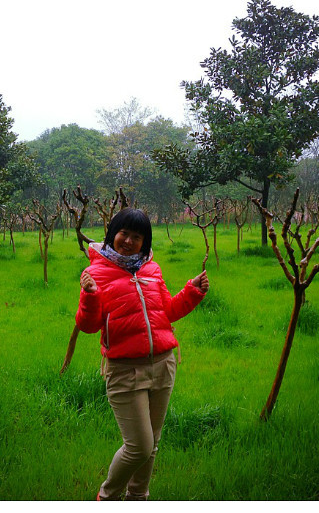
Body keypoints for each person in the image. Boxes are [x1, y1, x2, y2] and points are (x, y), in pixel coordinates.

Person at [76, 208, 209, 501]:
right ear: (112, 233)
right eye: (124, 233)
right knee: (139, 445)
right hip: (124, 370)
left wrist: (192, 292)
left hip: (163, 365)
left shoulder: (151, 269)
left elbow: (167, 312)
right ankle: (108, 497)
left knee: (153, 442)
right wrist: (89, 296)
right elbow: (88, 326)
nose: (128, 241)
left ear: (145, 242)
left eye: (137, 237)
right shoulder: (95, 273)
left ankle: (138, 497)